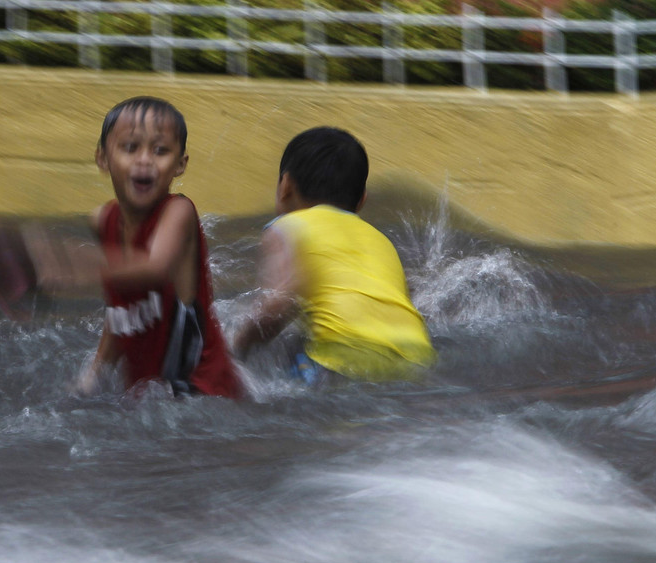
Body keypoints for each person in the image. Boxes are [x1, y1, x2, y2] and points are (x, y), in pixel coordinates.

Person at [25, 96, 242, 399]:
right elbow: (121, 309)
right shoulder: (103, 220)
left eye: (161, 150)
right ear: (102, 158)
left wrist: (75, 263)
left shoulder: (178, 212)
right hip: (150, 398)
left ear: (180, 164)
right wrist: (94, 376)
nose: (145, 160)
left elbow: (154, 268)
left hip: (206, 395)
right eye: (130, 147)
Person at [232, 127, 436, 384]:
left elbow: (277, 305)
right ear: (361, 200)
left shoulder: (286, 227)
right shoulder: (381, 240)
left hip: (341, 356)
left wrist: (235, 350)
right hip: (416, 357)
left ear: (285, 186)